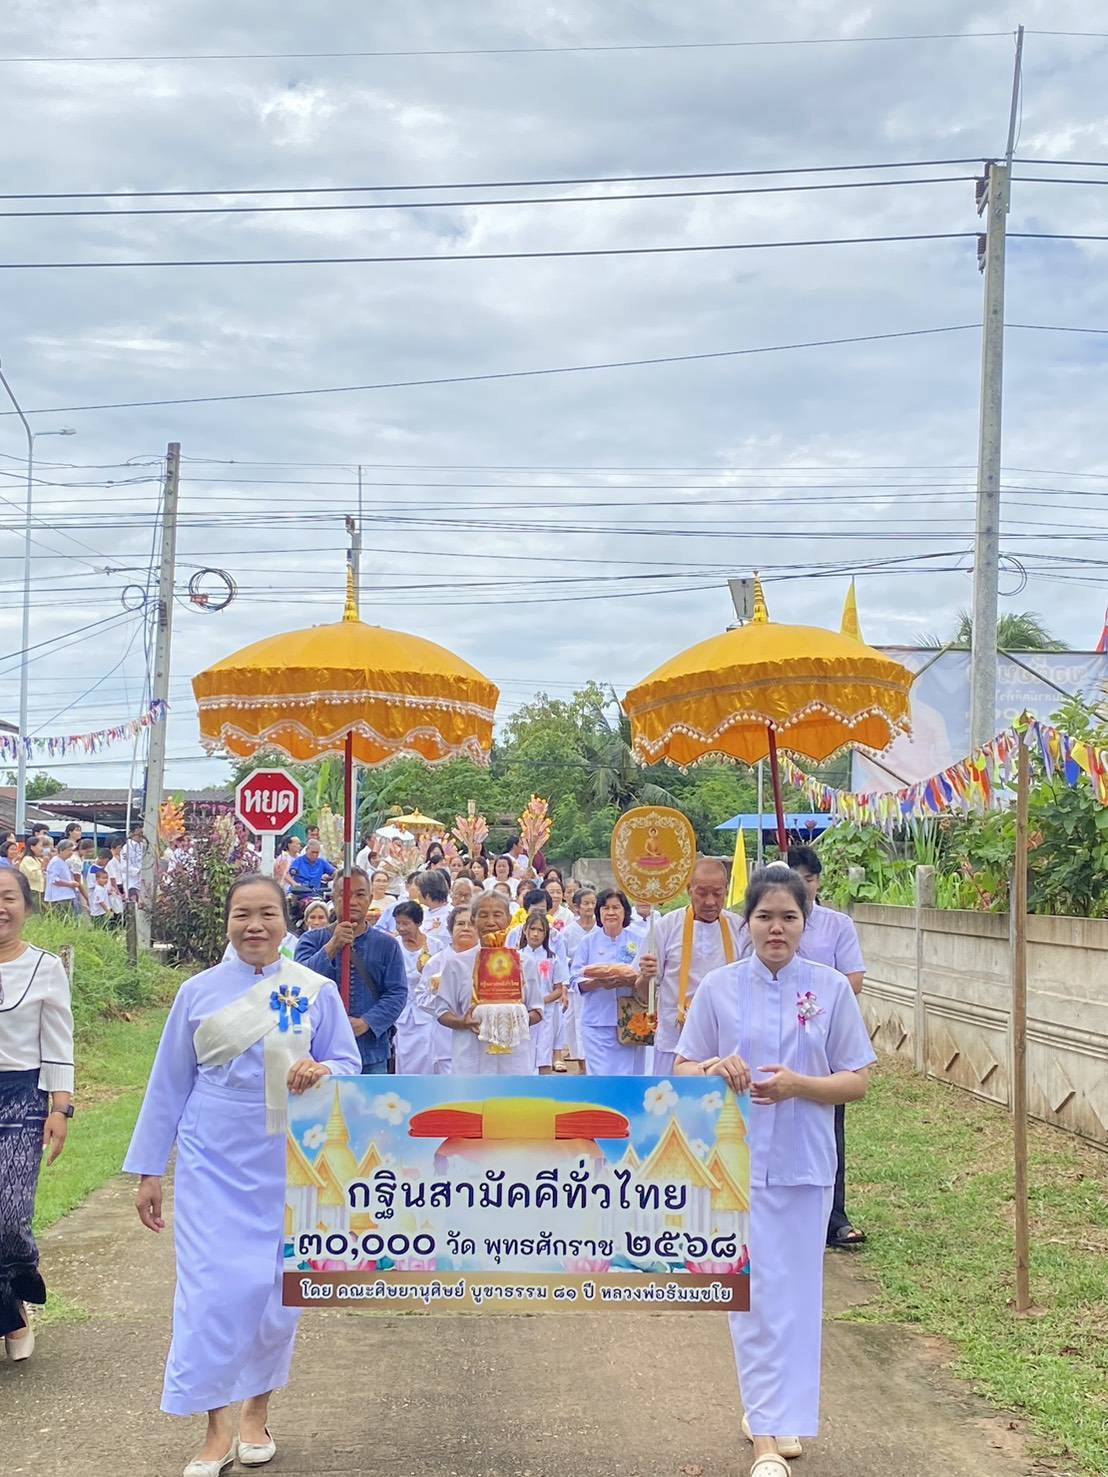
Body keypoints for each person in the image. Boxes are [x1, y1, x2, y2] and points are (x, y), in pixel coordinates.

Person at [125, 875, 360, 1475]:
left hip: (289, 1157)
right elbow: (168, 1083)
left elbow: (348, 1064)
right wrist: (149, 1169)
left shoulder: (315, 990)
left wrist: (321, 1070)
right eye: (242, 915)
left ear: (286, 921)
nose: (254, 926)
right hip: (212, 1158)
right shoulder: (196, 993)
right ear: (228, 923)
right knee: (211, 1291)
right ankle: (215, 1427)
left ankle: (257, 1411)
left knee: (274, 1291)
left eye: (266, 914)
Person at [675, 867, 874, 1476]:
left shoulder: (830, 989)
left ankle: (781, 1413)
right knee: (751, 1294)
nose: (777, 928)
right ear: (748, 923)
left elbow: (857, 1080)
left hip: (806, 1165)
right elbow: (682, 1068)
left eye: (789, 917)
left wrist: (798, 1086)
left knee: (796, 1296)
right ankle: (765, 1435)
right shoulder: (719, 988)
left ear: (805, 923)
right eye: (765, 917)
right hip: (734, 1164)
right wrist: (713, 1068)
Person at [0, 867, 74, 1359]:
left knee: (10, 1215)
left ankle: (20, 1280)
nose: (0, 908)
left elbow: (58, 1041)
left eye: (8, 897)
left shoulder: (45, 967)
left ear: (27, 905)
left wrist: (61, 1107)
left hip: (22, 1097)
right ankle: (8, 1313)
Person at [784, 847, 867, 1250]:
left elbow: (854, 979)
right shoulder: (766, 924)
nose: (802, 888)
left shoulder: (837, 925)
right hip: (774, 1039)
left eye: (809, 880)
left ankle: (834, 1217)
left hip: (821, 1038)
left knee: (828, 1125)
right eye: (794, 879)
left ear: (818, 881)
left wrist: (813, 1002)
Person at [636, 857, 742, 1077]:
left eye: (718, 893)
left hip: (726, 1040)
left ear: (727, 889)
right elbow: (642, 994)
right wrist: (646, 977)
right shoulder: (665, 927)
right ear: (688, 889)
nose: (710, 901)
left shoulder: (741, 929)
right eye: (702, 893)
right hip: (674, 1040)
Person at [295, 870, 407, 1075]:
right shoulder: (311, 940)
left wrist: (367, 1022)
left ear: (370, 899)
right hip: (319, 1053)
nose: (352, 902)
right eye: (345, 895)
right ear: (333, 898)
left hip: (371, 1051)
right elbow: (299, 983)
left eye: (360, 895)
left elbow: (397, 993)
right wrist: (332, 946)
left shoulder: (387, 945)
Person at [428, 891, 544, 1075]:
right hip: (471, 1060)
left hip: (514, 1061)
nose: (490, 922)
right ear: (473, 920)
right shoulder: (457, 964)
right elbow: (442, 1012)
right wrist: (463, 1022)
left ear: (509, 919)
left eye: (497, 915)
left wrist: (512, 1019)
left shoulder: (525, 963)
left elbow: (537, 1010)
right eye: (483, 915)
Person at [570, 888, 647, 1075]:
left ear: (625, 911)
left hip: (632, 1021)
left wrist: (631, 979)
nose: (611, 912)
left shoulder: (639, 940)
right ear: (599, 912)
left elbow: (649, 977)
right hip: (597, 1022)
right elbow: (575, 979)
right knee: (600, 1077)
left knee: (628, 1076)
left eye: (616, 907)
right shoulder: (588, 942)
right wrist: (599, 982)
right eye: (605, 908)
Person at [415, 905, 480, 1074]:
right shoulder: (436, 962)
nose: (466, 928)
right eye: (460, 924)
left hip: (479, 1036)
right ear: (451, 929)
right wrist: (444, 1002)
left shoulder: (487, 959)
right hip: (445, 1037)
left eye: (471, 924)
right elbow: (421, 997)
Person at [391, 900, 447, 1073]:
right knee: (403, 1056)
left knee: (428, 1055)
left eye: (406, 923)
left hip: (427, 1012)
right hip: (402, 1013)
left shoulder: (436, 945)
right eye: (398, 923)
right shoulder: (393, 945)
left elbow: (442, 976)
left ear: (418, 923)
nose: (401, 928)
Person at [519, 910, 569, 1074]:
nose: (535, 934)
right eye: (532, 929)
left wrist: (540, 1001)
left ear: (546, 934)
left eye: (540, 930)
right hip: (524, 1013)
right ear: (525, 930)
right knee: (524, 1053)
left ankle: (544, 1085)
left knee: (544, 1054)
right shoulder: (516, 957)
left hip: (547, 1013)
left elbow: (558, 989)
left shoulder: (551, 958)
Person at [44, 839, 83, 915]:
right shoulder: (56, 862)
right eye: (69, 850)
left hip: (66, 895)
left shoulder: (63, 861)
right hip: (59, 897)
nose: (71, 853)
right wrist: (69, 884)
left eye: (72, 850)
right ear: (61, 850)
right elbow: (54, 880)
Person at [416, 869, 451, 945]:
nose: (416, 892)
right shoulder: (424, 912)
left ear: (427, 895)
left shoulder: (450, 916)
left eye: (418, 889)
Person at [19, 836, 46, 913]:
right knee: (34, 913)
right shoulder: (27, 859)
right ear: (32, 847)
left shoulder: (37, 859)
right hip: (33, 890)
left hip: (39, 890)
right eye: (40, 846)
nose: (42, 849)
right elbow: (34, 875)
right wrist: (43, 868)